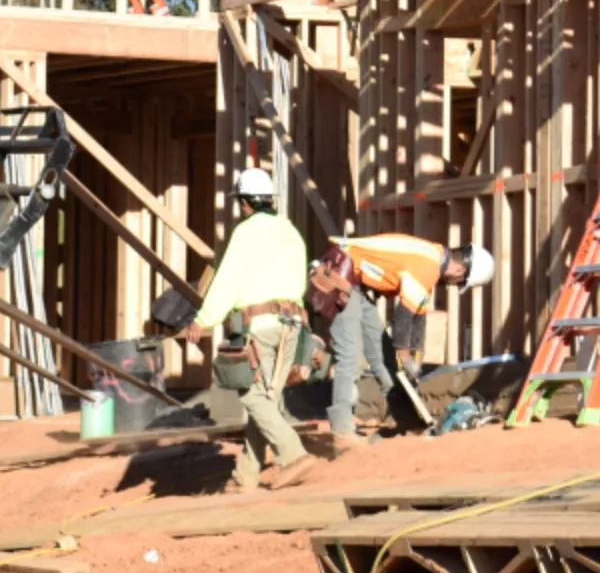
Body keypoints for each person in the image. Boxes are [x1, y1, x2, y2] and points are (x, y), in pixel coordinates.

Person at [188, 167, 318, 492]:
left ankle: (293, 454)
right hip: (292, 326)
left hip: (260, 326)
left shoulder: (247, 232)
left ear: (245, 203)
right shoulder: (289, 231)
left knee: (251, 395)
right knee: (267, 401)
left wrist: (204, 319)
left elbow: (228, 280)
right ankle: (245, 477)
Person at [312, 233, 494, 451]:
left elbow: (418, 316)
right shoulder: (428, 266)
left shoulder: (434, 257)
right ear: (459, 270)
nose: (453, 285)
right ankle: (342, 433)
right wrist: (406, 357)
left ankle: (407, 420)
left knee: (384, 355)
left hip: (355, 286)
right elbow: (402, 317)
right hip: (341, 277)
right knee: (349, 357)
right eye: (459, 283)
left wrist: (416, 357)